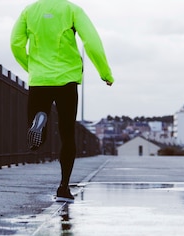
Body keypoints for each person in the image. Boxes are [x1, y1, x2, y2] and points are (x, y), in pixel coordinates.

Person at [10, 0, 114, 203]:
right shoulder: (72, 10)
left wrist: (32, 67)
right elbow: (91, 42)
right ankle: (64, 187)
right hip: (67, 80)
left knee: (39, 122)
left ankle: (41, 122)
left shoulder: (29, 11)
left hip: (39, 79)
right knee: (67, 135)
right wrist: (105, 73)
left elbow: (16, 44)